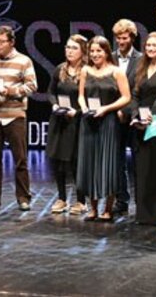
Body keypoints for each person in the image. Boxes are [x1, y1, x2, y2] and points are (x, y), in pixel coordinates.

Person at [0, 25, 38, 211]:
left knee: (20, 160)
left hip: (14, 115)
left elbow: (32, 86)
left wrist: (10, 91)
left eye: (2, 42)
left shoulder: (23, 61)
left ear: (12, 42)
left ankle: (23, 198)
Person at [76, 36, 132, 221]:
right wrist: (84, 108)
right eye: (92, 51)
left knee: (108, 164)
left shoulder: (117, 72)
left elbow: (126, 97)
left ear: (107, 52)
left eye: (99, 51)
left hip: (108, 122)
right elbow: (81, 95)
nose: (95, 54)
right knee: (90, 164)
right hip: (89, 121)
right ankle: (93, 208)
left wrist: (106, 109)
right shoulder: (85, 70)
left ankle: (107, 209)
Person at [128, 32, 156, 225]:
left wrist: (153, 116)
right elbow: (134, 95)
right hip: (140, 123)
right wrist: (136, 115)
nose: (150, 49)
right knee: (142, 168)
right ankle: (143, 214)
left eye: (154, 46)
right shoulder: (141, 66)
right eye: (148, 46)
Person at [46, 34, 86, 214]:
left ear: (82, 51)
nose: (69, 51)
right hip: (59, 120)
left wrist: (76, 112)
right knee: (58, 161)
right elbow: (50, 91)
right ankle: (61, 198)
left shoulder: (86, 71)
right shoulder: (60, 69)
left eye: (74, 48)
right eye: (68, 47)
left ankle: (81, 201)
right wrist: (54, 104)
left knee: (76, 162)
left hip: (77, 122)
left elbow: (90, 97)